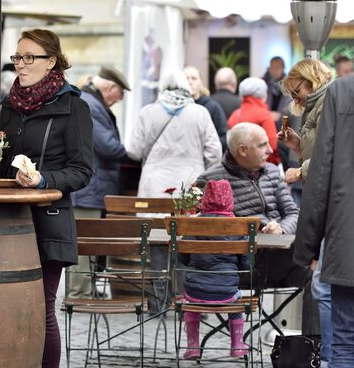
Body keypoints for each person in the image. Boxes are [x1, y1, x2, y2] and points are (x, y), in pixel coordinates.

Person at [0, 29, 93, 368]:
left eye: (28, 58)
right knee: (5, 305)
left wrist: (43, 179)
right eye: (17, 58)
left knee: (40, 306)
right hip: (5, 221)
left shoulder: (73, 107)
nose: (20, 65)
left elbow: (82, 170)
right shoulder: (9, 105)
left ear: (51, 61)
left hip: (48, 219)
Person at [196, 123, 318, 335]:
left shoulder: (271, 172)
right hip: (237, 268)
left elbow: (294, 213)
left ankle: (312, 343)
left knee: (318, 271)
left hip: (278, 262)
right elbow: (203, 226)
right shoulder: (211, 180)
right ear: (243, 150)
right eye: (263, 145)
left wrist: (280, 228)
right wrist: (253, 231)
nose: (271, 150)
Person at [294, 74, 354, 368]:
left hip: (348, 240)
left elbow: (321, 175)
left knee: (345, 344)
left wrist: (308, 246)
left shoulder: (342, 90)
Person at [279, 58, 332, 366]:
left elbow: (336, 154)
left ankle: (329, 356)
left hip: (331, 204)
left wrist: (299, 172)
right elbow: (319, 151)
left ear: (310, 79)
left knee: (322, 285)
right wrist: (297, 145)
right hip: (322, 201)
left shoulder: (329, 102)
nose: (293, 97)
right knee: (322, 284)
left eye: (294, 89)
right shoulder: (315, 104)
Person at [69, 65, 130, 299]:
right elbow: (108, 147)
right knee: (84, 243)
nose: (120, 98)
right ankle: (79, 292)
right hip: (89, 187)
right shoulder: (90, 105)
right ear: (110, 87)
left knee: (90, 241)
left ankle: (87, 288)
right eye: (120, 93)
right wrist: (132, 153)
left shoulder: (90, 102)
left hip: (92, 186)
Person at [179, 179, 249, 360]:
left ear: (204, 200)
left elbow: (182, 259)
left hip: (194, 290)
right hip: (227, 291)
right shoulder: (238, 226)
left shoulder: (193, 224)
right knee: (236, 300)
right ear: (230, 200)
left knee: (190, 303)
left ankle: (193, 347)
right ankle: (237, 345)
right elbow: (246, 265)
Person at [127, 69, 221, 198]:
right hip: (191, 180)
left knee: (152, 217)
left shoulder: (147, 112)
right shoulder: (201, 113)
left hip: (154, 183)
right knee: (187, 216)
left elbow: (134, 151)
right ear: (185, 85)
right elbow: (214, 152)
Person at [227, 77, 281, 165]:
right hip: (259, 167)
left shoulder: (234, 115)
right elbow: (272, 146)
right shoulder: (264, 115)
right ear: (263, 95)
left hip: (237, 165)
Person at [184, 65, 228, 152]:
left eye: (194, 78)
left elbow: (223, 137)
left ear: (200, 82)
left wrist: (207, 149)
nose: (190, 82)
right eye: (186, 78)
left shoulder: (212, 107)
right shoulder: (175, 107)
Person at [262, 56, 291, 121]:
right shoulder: (263, 83)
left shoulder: (289, 84)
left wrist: (281, 115)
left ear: (283, 68)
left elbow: (290, 105)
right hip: (266, 118)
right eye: (272, 67)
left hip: (283, 120)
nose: (274, 70)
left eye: (277, 68)